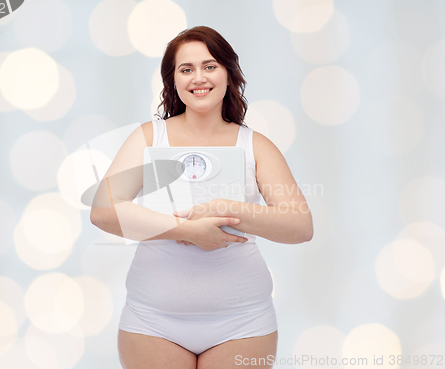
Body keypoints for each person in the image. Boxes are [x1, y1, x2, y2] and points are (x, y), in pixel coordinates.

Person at [90, 26, 313, 369]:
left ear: (228, 73)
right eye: (186, 69)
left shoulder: (255, 145)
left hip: (243, 323)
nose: (199, 78)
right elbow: (103, 210)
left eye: (210, 66)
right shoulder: (150, 138)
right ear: (174, 80)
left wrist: (227, 209)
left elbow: (300, 226)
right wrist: (186, 229)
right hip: (152, 322)